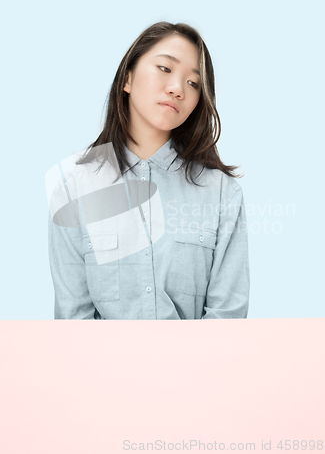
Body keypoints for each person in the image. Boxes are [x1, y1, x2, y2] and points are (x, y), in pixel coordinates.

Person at [46, 21, 250, 320]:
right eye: (165, 69)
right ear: (127, 79)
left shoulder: (221, 192)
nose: (177, 89)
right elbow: (73, 317)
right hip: (102, 366)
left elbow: (227, 315)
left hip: (195, 366)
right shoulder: (72, 185)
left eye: (193, 83)